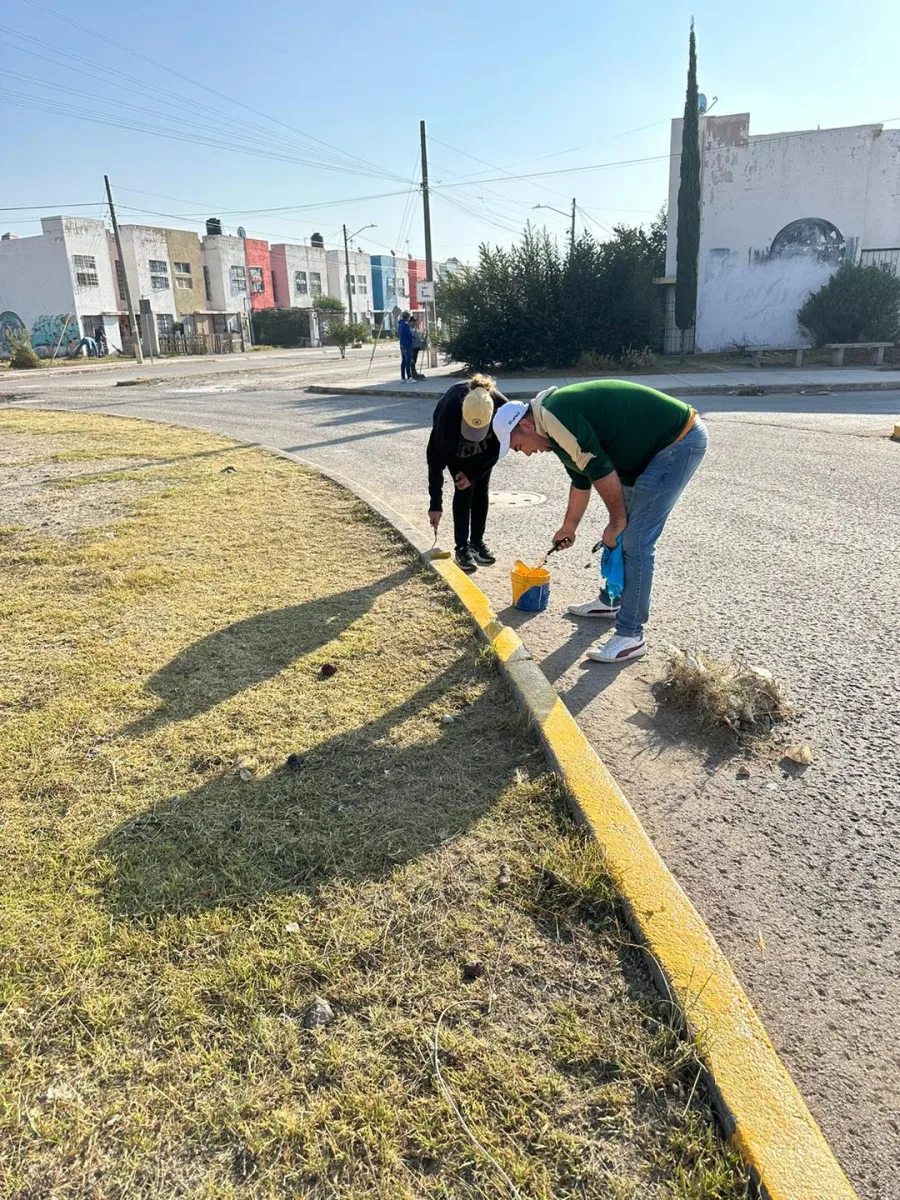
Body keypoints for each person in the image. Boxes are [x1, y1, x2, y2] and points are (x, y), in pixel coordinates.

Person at [492, 379, 708, 662]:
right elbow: (582, 477)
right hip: (648, 453)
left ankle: (631, 636)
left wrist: (617, 521)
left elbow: (599, 467)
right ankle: (611, 601)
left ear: (526, 426)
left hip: (676, 442)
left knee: (635, 539)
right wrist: (569, 526)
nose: (526, 453)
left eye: (519, 446)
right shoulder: (551, 431)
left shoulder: (555, 416)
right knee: (622, 533)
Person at [427, 374, 509, 573]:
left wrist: (474, 472)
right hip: (457, 449)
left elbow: (499, 448)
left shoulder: (501, 408)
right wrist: (435, 503)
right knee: (464, 488)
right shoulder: (449, 415)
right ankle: (462, 548)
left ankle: (477, 543)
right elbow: (435, 462)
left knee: (481, 488)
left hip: (486, 449)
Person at [397, 311, 414, 381]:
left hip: (402, 344)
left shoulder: (400, 324)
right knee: (408, 361)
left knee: (403, 360)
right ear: (407, 317)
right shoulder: (406, 325)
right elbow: (408, 335)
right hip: (407, 344)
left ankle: (403, 377)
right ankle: (409, 377)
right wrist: (412, 339)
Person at [409, 315, 425, 380]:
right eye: (413, 322)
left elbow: (419, 338)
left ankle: (414, 372)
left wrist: (423, 342)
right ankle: (412, 373)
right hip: (412, 347)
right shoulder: (409, 329)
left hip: (417, 347)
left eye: (415, 322)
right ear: (410, 322)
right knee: (412, 360)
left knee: (415, 360)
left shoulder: (416, 329)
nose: (414, 323)